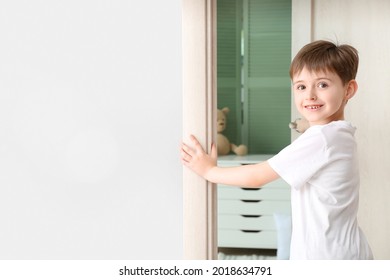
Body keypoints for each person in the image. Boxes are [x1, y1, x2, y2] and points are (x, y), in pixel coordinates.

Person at [180, 40, 373, 260]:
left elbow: (256, 176)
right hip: (349, 250)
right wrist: (309, 124)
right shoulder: (341, 133)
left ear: (349, 89)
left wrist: (209, 171)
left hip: (325, 257)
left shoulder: (321, 138)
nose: (309, 95)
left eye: (322, 85)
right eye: (301, 86)